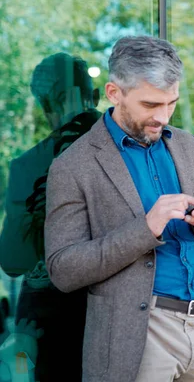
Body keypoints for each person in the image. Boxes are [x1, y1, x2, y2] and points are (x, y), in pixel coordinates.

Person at [44, 36, 194, 382]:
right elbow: (63, 269)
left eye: (171, 103)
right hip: (138, 335)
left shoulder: (186, 144)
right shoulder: (73, 165)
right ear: (113, 92)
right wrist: (145, 228)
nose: (163, 117)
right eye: (151, 104)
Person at [0, 52, 100, 381]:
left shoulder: (27, 165)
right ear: (96, 97)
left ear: (44, 105)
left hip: (50, 316)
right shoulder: (132, 153)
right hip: (79, 316)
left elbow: (13, 261)